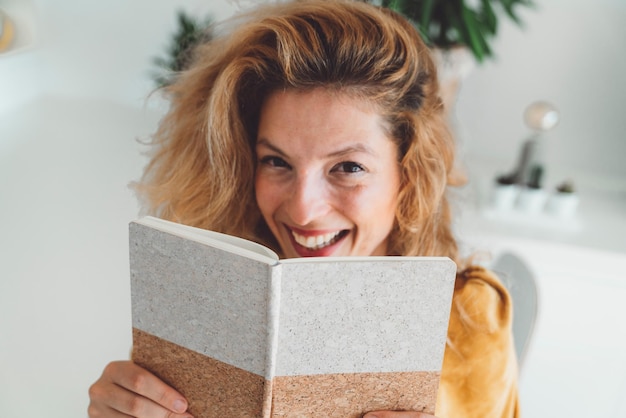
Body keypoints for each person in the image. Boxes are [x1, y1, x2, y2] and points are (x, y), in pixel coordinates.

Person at [88, 0, 519, 417]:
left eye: (348, 167)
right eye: (276, 161)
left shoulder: (470, 321)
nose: (304, 210)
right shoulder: (206, 299)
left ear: (408, 175)